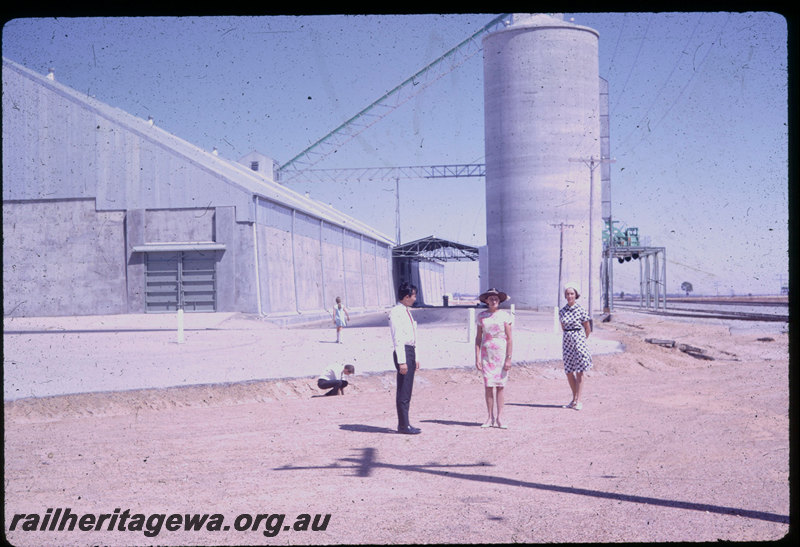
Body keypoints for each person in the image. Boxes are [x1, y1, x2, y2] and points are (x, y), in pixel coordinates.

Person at [475, 288, 514, 429]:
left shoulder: (505, 316)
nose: (493, 300)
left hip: (501, 354)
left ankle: (500, 418)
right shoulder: (481, 317)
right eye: (491, 298)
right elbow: (478, 338)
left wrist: (509, 358)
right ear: (486, 300)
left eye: (496, 298)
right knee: (488, 386)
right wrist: (477, 357)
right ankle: (489, 417)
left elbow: (510, 339)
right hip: (487, 355)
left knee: (500, 386)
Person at [388, 282, 421, 434]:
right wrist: (402, 361)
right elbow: (398, 339)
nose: (415, 298)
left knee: (408, 389)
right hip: (403, 352)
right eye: (413, 295)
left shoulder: (406, 311)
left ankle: (405, 423)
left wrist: (416, 357)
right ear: (406, 296)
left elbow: (413, 337)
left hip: (410, 352)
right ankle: (403, 425)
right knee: (404, 389)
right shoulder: (396, 312)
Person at [559, 282, 593, 410]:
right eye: (567, 294)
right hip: (567, 341)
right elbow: (563, 327)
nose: (569, 296)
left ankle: (578, 400)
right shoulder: (562, 311)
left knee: (580, 371)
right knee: (569, 371)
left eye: (572, 293)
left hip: (579, 340)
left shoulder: (581, 310)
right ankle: (574, 399)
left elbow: (587, 327)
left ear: (576, 295)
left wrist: (582, 341)